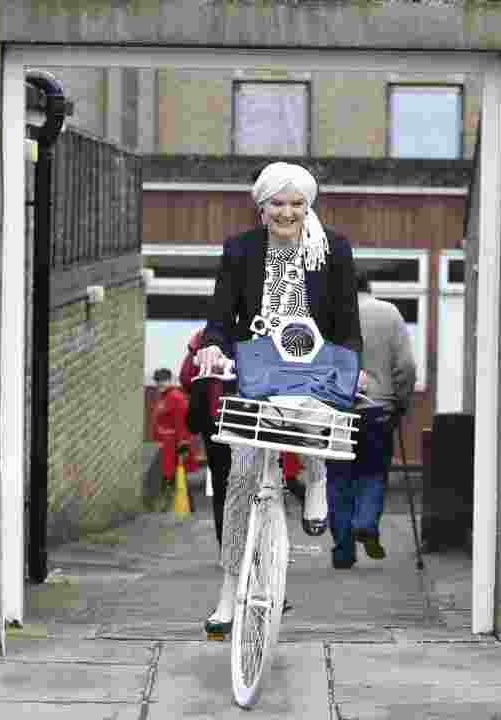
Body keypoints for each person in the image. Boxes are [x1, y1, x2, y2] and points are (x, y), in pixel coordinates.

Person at [195, 161, 362, 637]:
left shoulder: (333, 250)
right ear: (262, 208)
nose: (288, 212)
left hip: (314, 361)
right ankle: (229, 592)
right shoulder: (241, 251)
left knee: (317, 421)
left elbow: (347, 319)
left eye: (297, 204)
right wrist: (213, 344)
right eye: (278, 204)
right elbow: (221, 315)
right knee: (241, 479)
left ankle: (316, 475)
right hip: (257, 369)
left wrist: (353, 365)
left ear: (308, 207)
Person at [325, 272, 416, 569]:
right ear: (369, 288)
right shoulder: (389, 314)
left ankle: (342, 550)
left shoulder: (330, 316)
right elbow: (405, 366)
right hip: (378, 408)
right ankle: (365, 521)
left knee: (339, 477)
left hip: (338, 410)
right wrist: (401, 402)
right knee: (373, 471)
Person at [179, 328, 233, 546]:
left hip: (211, 424)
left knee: (220, 484)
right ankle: (247, 539)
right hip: (242, 419)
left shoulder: (201, 337)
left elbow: (185, 377)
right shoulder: (249, 331)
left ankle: (225, 542)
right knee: (248, 481)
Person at [151, 367, 197, 510]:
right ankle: (180, 507)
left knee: (175, 477)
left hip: (174, 446)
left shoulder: (176, 397)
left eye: (164, 381)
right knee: (172, 477)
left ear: (170, 381)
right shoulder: (163, 397)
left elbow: (183, 423)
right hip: (165, 445)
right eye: (158, 382)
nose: (161, 384)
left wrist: (183, 445)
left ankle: (177, 508)